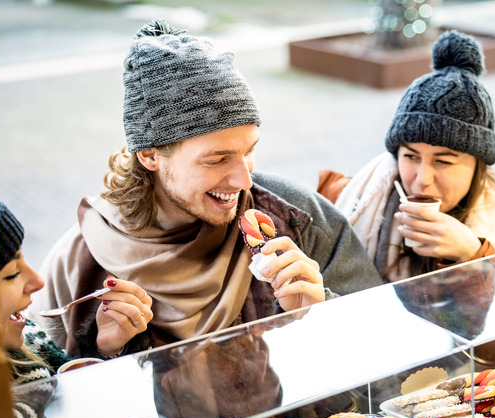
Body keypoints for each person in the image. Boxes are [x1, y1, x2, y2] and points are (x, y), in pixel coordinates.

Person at [30, 19, 383, 354]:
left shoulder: (298, 218)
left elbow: (387, 343)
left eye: (249, 151)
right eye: (217, 159)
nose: (244, 181)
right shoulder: (77, 263)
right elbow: (44, 394)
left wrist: (323, 314)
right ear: (150, 156)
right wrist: (105, 352)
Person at [332, 30, 495, 284]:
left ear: (479, 166)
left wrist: (472, 255)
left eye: (444, 161)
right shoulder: (359, 201)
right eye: (411, 156)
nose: (423, 179)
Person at [0, 196, 149, 418]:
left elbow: (82, 409)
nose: (37, 282)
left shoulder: (30, 338)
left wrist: (105, 348)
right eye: (11, 274)